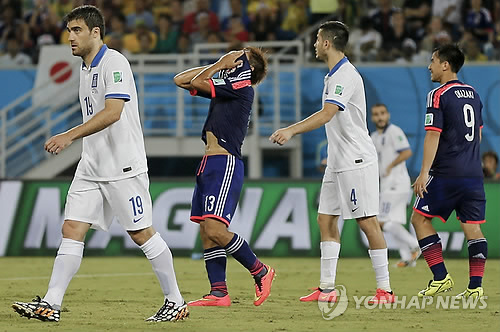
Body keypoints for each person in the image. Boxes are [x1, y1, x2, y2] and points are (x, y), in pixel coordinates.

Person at [11, 5, 188, 323]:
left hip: (122, 166)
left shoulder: (114, 62)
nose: (70, 37)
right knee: (72, 228)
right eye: (68, 31)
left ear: (96, 32)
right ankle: (51, 303)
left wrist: (69, 136)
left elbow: (113, 112)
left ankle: (175, 301)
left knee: (142, 234)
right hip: (92, 165)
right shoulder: (85, 68)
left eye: (77, 30)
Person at [270, 21, 395, 304]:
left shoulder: (345, 76)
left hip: (356, 159)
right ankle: (326, 289)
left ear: (327, 43)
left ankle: (385, 290)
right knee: (326, 219)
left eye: (316, 39)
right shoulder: (333, 75)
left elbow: (327, 114)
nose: (313, 44)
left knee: (367, 222)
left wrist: (290, 130)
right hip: (337, 162)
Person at [173, 47, 275, 307]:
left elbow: (196, 82)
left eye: (237, 57)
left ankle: (261, 271)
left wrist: (220, 63)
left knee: (216, 229)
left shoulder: (242, 88)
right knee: (207, 229)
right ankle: (219, 292)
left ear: (246, 67)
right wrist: (221, 65)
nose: (232, 58)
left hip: (225, 161)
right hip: (210, 161)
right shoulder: (227, 84)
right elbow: (180, 80)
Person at [412, 44, 487, 299]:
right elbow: (477, 133)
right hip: (473, 173)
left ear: (445, 65)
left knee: (419, 219)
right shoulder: (474, 94)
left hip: (446, 172)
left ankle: (441, 277)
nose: (429, 66)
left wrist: (424, 173)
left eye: (432, 60)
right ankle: (475, 288)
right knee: (472, 228)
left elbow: (433, 135)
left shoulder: (438, 94)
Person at [370, 103, 420, 267]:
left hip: (397, 184)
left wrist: (390, 166)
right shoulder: (374, 137)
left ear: (388, 115)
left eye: (382, 113)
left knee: (382, 221)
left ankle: (415, 245)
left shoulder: (394, 131)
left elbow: (406, 151)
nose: (380, 117)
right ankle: (408, 258)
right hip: (387, 186)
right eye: (376, 114)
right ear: (372, 117)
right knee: (392, 223)